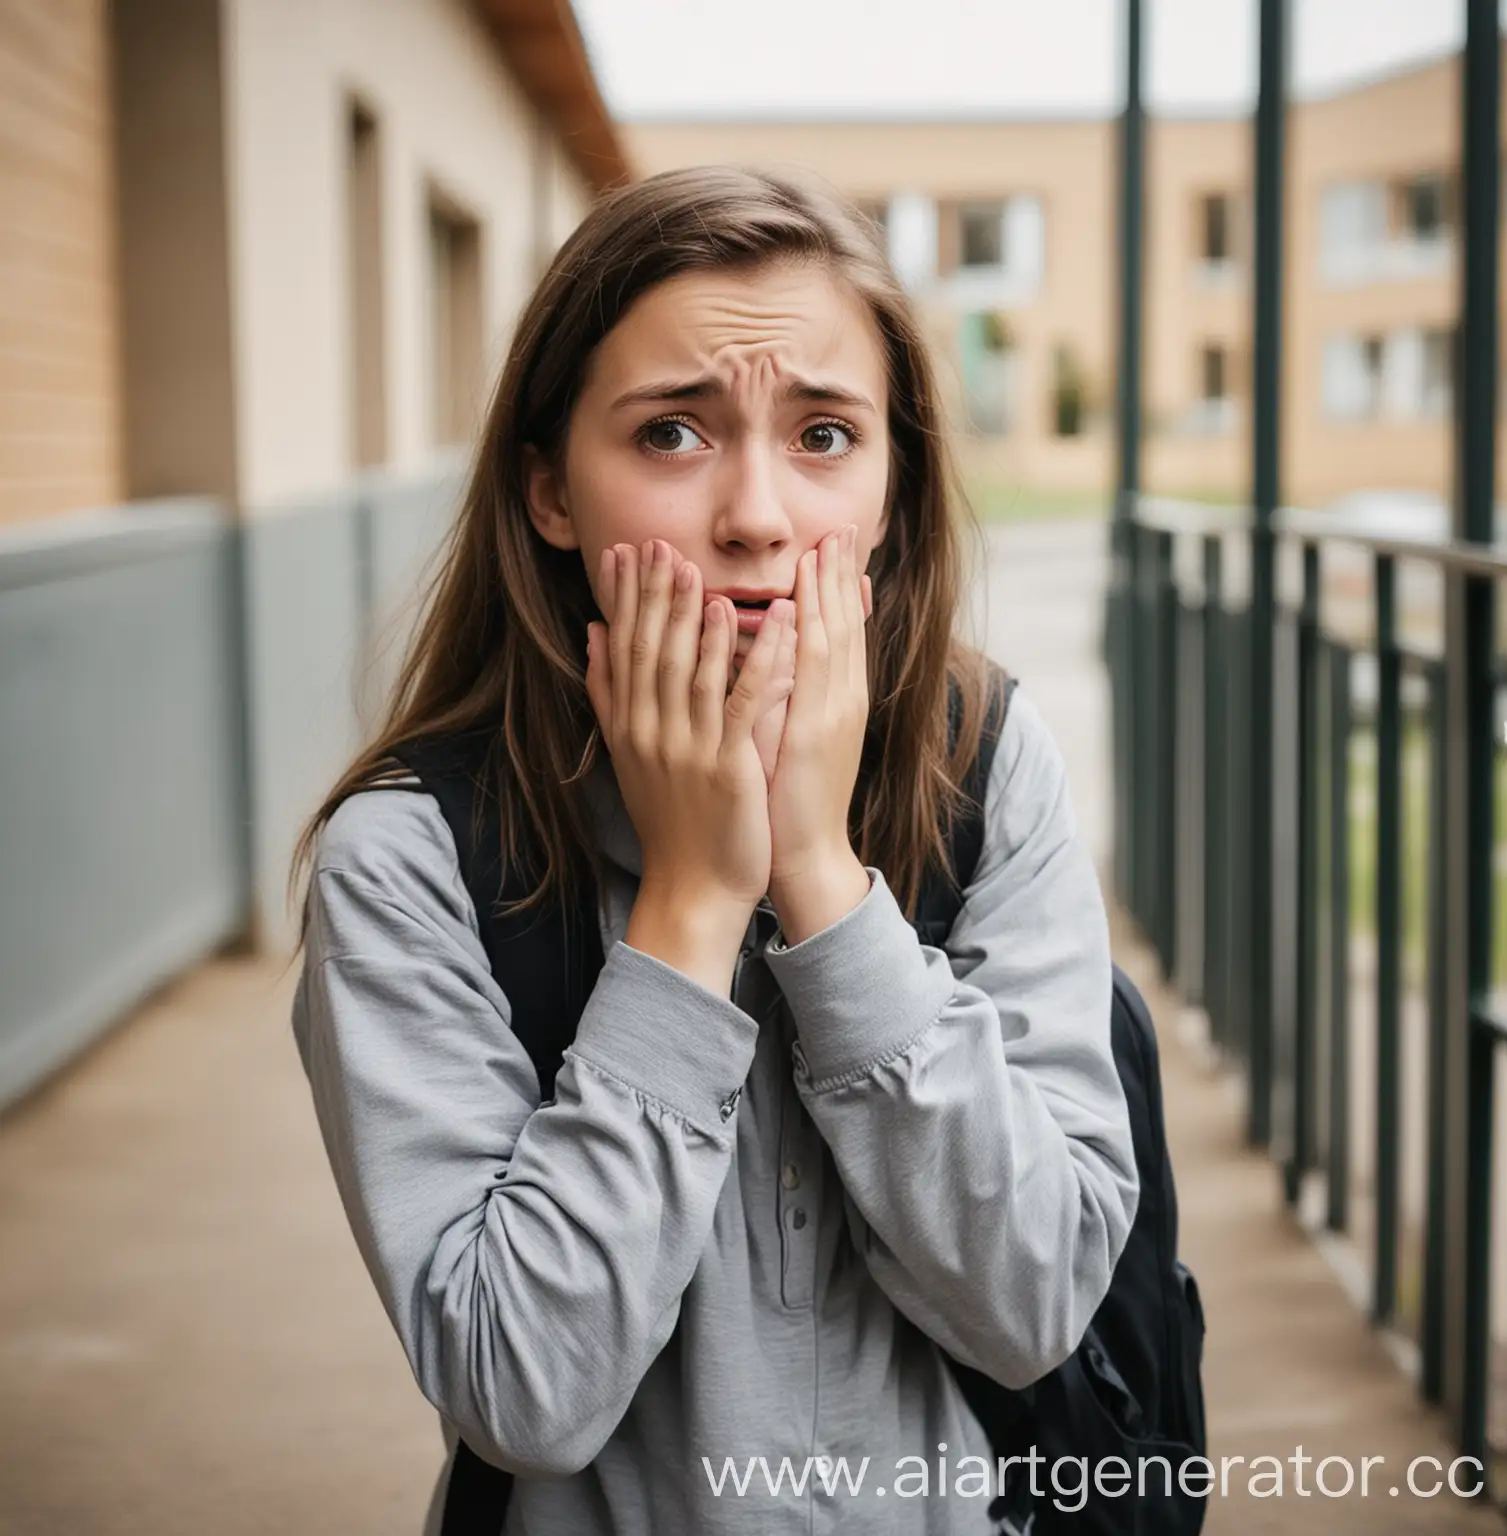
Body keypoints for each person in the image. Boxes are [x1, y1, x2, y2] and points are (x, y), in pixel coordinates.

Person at [289, 165, 1137, 1536]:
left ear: (893, 493)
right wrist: (689, 904)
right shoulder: (410, 857)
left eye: (825, 435)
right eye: (673, 434)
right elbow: (523, 1396)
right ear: (553, 494)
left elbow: (1035, 1308)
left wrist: (819, 873)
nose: (756, 514)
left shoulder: (987, 767)